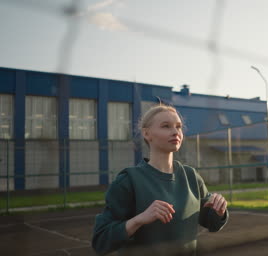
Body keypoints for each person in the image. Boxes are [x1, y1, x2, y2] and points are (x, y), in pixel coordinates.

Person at [92, 104, 229, 255]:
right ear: (147, 134)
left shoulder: (191, 176)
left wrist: (219, 210)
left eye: (178, 127)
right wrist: (139, 219)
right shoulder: (128, 180)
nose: (175, 132)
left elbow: (212, 223)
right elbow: (100, 240)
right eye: (166, 126)